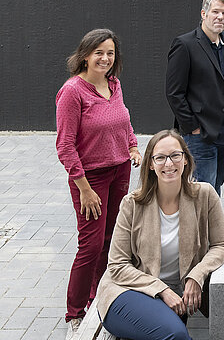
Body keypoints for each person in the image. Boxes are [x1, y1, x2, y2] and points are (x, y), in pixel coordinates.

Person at [95, 129, 224, 340]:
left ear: (185, 159)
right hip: (127, 291)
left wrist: (197, 274)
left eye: (175, 155)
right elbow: (117, 266)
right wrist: (161, 290)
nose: (169, 164)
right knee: (176, 335)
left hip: (176, 294)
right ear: (150, 164)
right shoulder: (132, 204)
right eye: (160, 158)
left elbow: (222, 244)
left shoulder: (204, 195)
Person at [55, 28, 142, 340]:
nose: (105, 58)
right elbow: (64, 146)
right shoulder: (72, 92)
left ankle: (100, 300)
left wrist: (132, 146)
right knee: (90, 246)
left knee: (112, 240)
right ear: (85, 55)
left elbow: (123, 120)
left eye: (110, 53)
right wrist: (84, 189)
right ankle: (75, 314)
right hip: (89, 178)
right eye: (99, 53)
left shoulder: (113, 84)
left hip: (120, 171)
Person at [166, 0, 224, 195]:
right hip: (201, 135)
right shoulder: (185, 45)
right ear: (203, 14)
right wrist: (192, 127)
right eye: (215, 12)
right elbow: (174, 93)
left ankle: (211, 225)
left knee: (216, 186)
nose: (220, 17)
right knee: (204, 191)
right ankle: (204, 227)